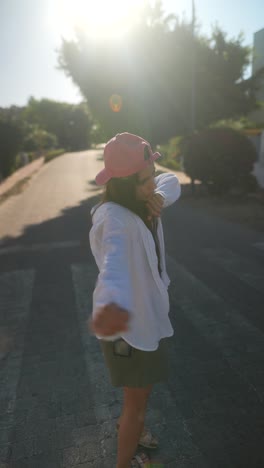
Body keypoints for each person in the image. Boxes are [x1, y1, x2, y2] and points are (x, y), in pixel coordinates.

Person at [89, 132, 181, 468]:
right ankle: (124, 461)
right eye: (145, 180)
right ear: (124, 182)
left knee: (139, 396)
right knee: (136, 405)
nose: (152, 184)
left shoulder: (144, 200)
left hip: (145, 320)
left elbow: (171, 182)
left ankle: (134, 431)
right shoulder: (115, 219)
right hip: (127, 327)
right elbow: (112, 263)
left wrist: (156, 193)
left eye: (152, 175)